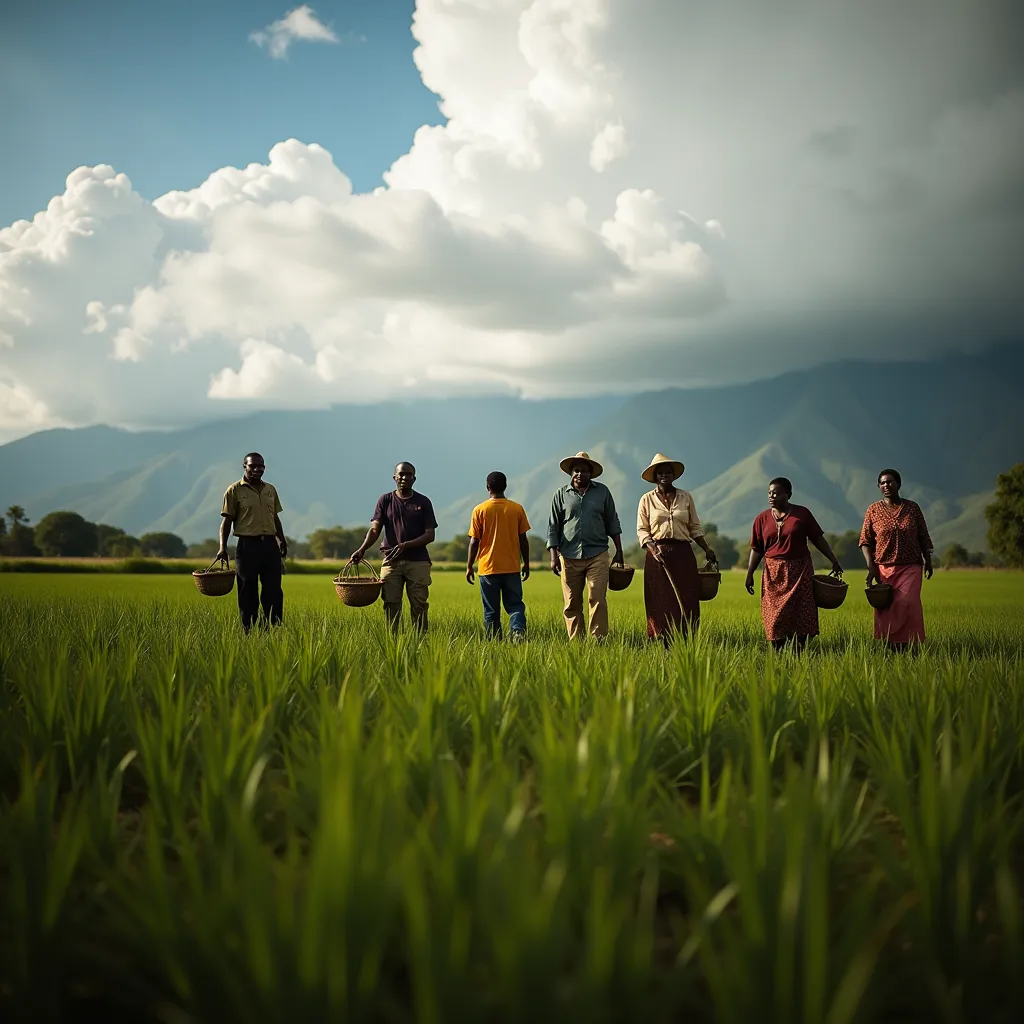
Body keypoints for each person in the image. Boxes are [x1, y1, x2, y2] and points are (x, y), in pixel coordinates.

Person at [744, 477, 843, 652]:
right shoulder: (762, 519)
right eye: (769, 492)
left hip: (800, 570)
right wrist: (749, 573)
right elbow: (757, 548)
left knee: (801, 613)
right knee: (774, 616)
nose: (771, 496)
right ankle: (778, 652)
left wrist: (833, 560)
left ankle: (799, 651)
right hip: (773, 573)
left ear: (788, 494)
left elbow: (817, 539)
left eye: (776, 492)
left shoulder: (802, 514)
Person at [636, 453, 716, 644]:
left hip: (682, 554)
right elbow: (642, 530)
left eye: (668, 472)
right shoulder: (646, 500)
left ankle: (686, 639)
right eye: (661, 472)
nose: (664, 475)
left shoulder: (685, 497)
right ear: (655, 477)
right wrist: (653, 549)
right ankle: (660, 640)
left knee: (687, 597)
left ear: (674, 475)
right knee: (659, 599)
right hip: (657, 555)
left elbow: (695, 527)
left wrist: (707, 549)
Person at [348, 462, 438, 633]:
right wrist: (362, 549)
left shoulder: (423, 502)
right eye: (401, 474)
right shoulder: (385, 500)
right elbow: (375, 530)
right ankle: (393, 641)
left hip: (418, 561)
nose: (405, 477)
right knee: (390, 603)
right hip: (391, 562)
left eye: (409, 474)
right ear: (394, 477)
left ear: (414, 478)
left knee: (419, 604)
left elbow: (430, 535)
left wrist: (406, 545)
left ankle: (420, 641)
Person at [546, 451, 625, 640]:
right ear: (571, 473)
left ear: (591, 473)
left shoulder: (602, 492)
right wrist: (553, 556)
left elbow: (612, 522)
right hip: (568, 555)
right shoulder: (560, 495)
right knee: (572, 602)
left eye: (584, 471)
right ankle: (576, 642)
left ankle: (598, 640)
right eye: (576, 470)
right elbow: (553, 526)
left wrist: (619, 551)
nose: (580, 474)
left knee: (596, 597)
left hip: (597, 553)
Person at [859, 468, 934, 650]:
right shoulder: (873, 510)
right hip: (884, 567)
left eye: (890, 482)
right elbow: (865, 541)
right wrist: (871, 567)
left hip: (911, 566)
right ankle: (892, 646)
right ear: (878, 486)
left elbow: (923, 536)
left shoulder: (912, 508)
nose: (886, 485)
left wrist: (928, 561)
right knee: (887, 607)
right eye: (882, 483)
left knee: (907, 602)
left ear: (899, 484)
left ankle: (909, 643)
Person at [217, 452, 287, 633]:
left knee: (273, 590)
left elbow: (275, 517)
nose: (258, 469)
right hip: (247, 546)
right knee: (247, 589)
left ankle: (273, 628)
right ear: (244, 467)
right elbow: (226, 522)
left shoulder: (270, 489)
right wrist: (222, 548)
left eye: (261, 466)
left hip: (270, 545)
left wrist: (282, 540)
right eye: (253, 466)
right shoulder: (234, 490)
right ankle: (248, 630)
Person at [465, 471, 531, 641]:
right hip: (511, 567)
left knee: (491, 610)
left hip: (488, 569)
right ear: (506, 486)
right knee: (515, 605)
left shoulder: (479, 510)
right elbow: (523, 539)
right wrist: (526, 563)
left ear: (488, 488)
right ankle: (517, 631)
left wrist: (469, 566)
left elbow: (474, 542)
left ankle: (494, 642)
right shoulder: (516, 509)